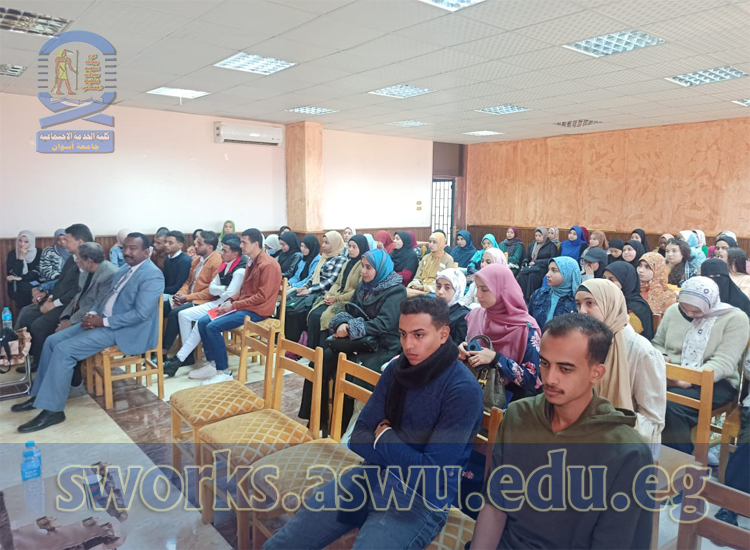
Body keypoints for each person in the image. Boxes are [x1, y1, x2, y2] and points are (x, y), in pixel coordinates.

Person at [265, 296, 483, 550]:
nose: (408, 345)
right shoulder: (397, 369)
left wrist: (385, 437)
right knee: (284, 543)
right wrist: (399, 451)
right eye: (403, 334)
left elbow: (431, 473)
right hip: (372, 474)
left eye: (419, 335)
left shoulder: (461, 389)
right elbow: (359, 437)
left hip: (420, 499)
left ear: (444, 334)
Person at [470, 313, 653, 550]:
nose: (550, 379)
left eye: (565, 369)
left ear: (596, 373)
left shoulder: (626, 451)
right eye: (545, 363)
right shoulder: (518, 416)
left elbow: (612, 541)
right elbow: (496, 505)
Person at [12, 233, 164, 432]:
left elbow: (140, 314)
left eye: (133, 248)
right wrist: (92, 314)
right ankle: (40, 395)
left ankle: (53, 410)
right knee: (52, 341)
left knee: (64, 350)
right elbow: (104, 299)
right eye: (125, 247)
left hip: (124, 329)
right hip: (102, 321)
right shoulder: (124, 269)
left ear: (146, 252)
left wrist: (103, 321)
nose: (127, 252)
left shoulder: (152, 275)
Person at [300, 248, 406, 433]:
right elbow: (349, 310)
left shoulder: (396, 291)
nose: (363, 271)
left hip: (381, 344)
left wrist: (350, 328)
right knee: (319, 362)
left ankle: (342, 430)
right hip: (357, 341)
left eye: (368, 267)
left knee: (350, 373)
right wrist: (342, 322)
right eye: (362, 266)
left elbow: (385, 323)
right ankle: (318, 420)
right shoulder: (364, 286)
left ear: (380, 268)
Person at [653, 277, 749, 456]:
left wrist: (688, 381)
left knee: (670, 405)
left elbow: (724, 362)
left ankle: (680, 463)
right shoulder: (674, 311)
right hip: (672, 374)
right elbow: (658, 343)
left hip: (717, 381)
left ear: (711, 303)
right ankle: (648, 455)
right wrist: (663, 356)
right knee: (643, 396)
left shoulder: (735, 319)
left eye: (696, 310)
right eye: (684, 308)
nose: (689, 314)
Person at [575, 280, 666, 453]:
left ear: (611, 305)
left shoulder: (641, 351)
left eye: (590, 303)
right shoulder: (585, 343)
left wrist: (604, 419)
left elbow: (653, 423)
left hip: (626, 443)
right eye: (578, 304)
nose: (582, 311)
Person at [194, 229, 282, 384]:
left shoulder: (268, 265)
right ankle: (213, 363)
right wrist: (230, 300)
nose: (241, 246)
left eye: (244, 242)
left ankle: (224, 371)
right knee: (203, 322)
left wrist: (234, 304)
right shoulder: (251, 261)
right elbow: (243, 290)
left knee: (212, 327)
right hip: (244, 306)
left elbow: (262, 297)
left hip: (258, 311)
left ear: (255, 243)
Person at [164, 235, 248, 376]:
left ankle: (181, 359)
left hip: (229, 305)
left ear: (234, 254)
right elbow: (212, 288)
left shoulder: (239, 270)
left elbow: (229, 294)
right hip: (218, 302)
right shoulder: (224, 264)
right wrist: (223, 289)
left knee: (202, 323)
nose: (221, 253)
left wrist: (221, 290)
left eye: (224, 250)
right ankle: (184, 357)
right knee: (183, 314)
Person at [14, 224, 93, 371]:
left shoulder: (88, 261)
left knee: (39, 326)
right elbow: (61, 282)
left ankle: (42, 365)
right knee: (26, 313)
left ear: (80, 242)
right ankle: (24, 356)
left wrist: (53, 304)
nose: (64, 243)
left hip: (71, 306)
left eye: (67, 240)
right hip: (59, 300)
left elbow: (77, 291)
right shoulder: (72, 258)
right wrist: (47, 295)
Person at [460, 264, 542, 406]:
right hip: (471, 388)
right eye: (477, 288)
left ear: (502, 289)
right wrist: (463, 350)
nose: (478, 295)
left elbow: (530, 378)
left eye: (484, 289)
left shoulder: (525, 328)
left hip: (507, 400)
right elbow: (470, 348)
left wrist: (496, 358)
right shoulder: (476, 315)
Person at [162, 230, 221, 359]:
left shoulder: (217, 262)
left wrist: (187, 298)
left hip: (204, 301)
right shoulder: (197, 260)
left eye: (199, 244)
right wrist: (179, 295)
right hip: (189, 297)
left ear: (209, 247)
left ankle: (165, 351)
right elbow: (188, 282)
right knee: (161, 307)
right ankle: (153, 346)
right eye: (195, 243)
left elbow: (210, 292)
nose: (195, 246)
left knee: (175, 313)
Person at [305, 234, 368, 352]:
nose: (350, 249)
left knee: (324, 316)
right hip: (336, 297)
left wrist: (337, 299)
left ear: (362, 248)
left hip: (347, 301)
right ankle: (311, 351)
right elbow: (337, 283)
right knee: (313, 313)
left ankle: (323, 352)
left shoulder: (363, 266)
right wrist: (329, 295)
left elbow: (357, 290)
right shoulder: (347, 263)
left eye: (354, 247)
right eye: (349, 246)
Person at [284, 231, 347, 344]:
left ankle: (299, 342)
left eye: (327, 243)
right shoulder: (324, 257)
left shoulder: (340, 259)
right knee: (287, 304)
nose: (323, 245)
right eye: (323, 242)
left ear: (335, 243)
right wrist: (305, 287)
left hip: (324, 293)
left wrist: (309, 290)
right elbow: (313, 276)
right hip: (313, 290)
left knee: (297, 311)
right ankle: (288, 342)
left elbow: (330, 281)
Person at [57, 243, 117, 331]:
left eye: (78, 257)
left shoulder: (109, 275)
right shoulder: (86, 270)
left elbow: (97, 305)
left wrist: (71, 321)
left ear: (89, 260)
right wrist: (65, 317)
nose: (76, 260)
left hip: (92, 319)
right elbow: (77, 296)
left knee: (54, 337)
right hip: (77, 313)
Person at [604, 262, 655, 340]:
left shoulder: (638, 307)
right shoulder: (606, 301)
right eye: (604, 278)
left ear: (626, 281)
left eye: (611, 280)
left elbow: (624, 336)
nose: (605, 283)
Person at [528, 257, 581, 331]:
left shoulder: (577, 301)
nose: (547, 274)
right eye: (548, 270)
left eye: (554, 270)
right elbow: (529, 320)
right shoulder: (539, 294)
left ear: (567, 274)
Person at [516, 227, 558, 302]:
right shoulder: (532, 245)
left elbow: (552, 260)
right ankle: (521, 297)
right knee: (522, 275)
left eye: (539, 236)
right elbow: (527, 256)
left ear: (544, 236)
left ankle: (530, 298)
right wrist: (525, 262)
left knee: (532, 276)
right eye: (536, 235)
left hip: (543, 267)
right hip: (532, 266)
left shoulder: (551, 246)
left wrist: (537, 262)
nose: (537, 238)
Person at [406, 232, 455, 296]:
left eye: (434, 242)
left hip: (437, 290)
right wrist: (416, 285)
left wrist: (424, 287)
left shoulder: (448, 259)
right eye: (430, 242)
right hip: (420, 287)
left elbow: (446, 282)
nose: (431, 244)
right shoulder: (426, 258)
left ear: (441, 243)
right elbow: (417, 277)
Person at [6, 230, 41, 308]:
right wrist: (20, 257)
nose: (22, 244)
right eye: (20, 241)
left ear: (31, 242)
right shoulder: (12, 254)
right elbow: (14, 274)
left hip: (36, 282)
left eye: (26, 242)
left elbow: (37, 273)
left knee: (30, 287)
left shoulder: (39, 253)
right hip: (19, 285)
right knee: (23, 287)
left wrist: (21, 278)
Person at [435, 268, 470, 345]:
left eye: (447, 288)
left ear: (458, 290)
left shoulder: (463, 316)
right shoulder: (430, 308)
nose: (440, 291)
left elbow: (456, 347)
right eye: (438, 286)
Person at [638, 252, 677, 316]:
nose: (640, 270)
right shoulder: (633, 289)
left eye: (647, 267)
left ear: (658, 270)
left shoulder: (668, 297)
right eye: (640, 265)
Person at [162, 230, 192, 299]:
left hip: (179, 295)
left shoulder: (184, 261)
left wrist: (159, 290)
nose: (166, 245)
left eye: (170, 243)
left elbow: (179, 287)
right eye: (166, 242)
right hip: (167, 291)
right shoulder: (167, 259)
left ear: (180, 245)